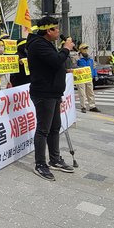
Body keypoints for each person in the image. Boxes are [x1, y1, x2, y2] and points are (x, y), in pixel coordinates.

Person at [26, 16, 75, 181]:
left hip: (53, 93)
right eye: (56, 29)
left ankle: (54, 159)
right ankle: (40, 164)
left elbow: (55, 63)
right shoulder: (38, 44)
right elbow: (55, 61)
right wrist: (66, 48)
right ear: (49, 31)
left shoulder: (47, 44)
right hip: (43, 93)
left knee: (55, 127)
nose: (59, 32)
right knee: (43, 129)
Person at [76, 43, 100, 113]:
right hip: (81, 78)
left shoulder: (90, 58)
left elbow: (94, 67)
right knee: (82, 93)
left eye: (86, 48)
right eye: (84, 48)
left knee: (90, 92)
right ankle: (83, 106)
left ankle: (92, 106)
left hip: (89, 77)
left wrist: (95, 75)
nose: (86, 50)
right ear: (80, 50)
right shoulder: (77, 58)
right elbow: (74, 66)